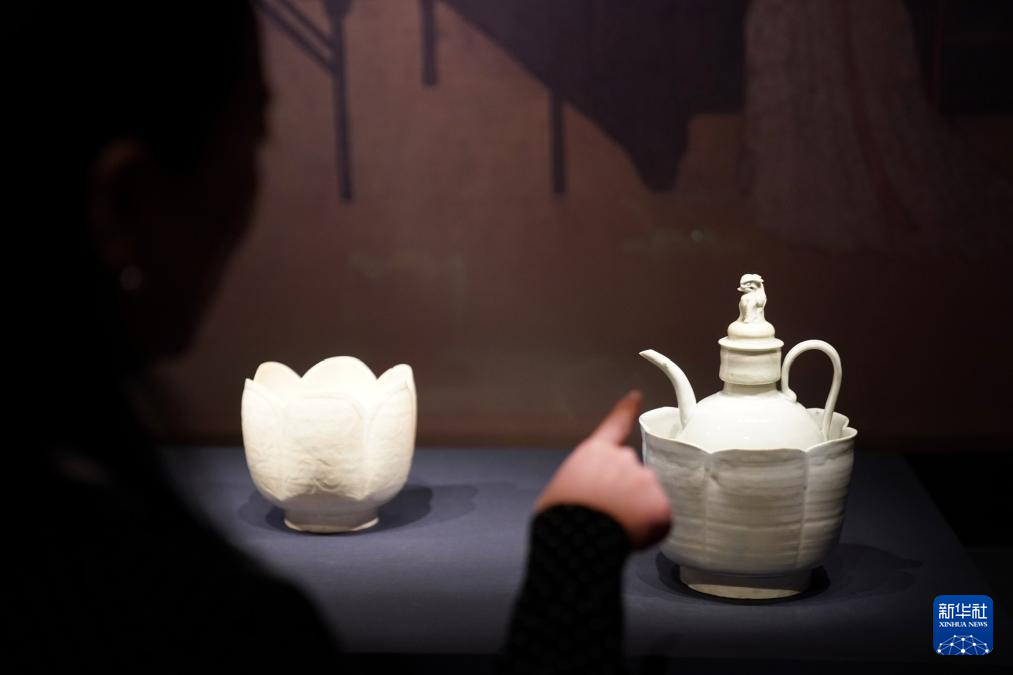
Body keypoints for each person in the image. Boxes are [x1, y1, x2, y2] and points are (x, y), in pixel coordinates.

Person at [11, 2, 671, 671]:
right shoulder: (178, 609)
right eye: (253, 137)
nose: (253, 183)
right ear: (123, 204)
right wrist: (576, 546)